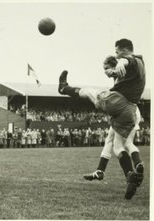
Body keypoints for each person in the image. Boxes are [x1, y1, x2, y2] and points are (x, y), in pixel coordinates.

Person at [58, 38, 145, 199]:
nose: (117, 55)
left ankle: (64, 88)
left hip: (121, 103)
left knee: (90, 92)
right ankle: (130, 175)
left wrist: (121, 62)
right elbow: (124, 68)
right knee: (118, 145)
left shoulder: (133, 60)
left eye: (117, 52)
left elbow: (128, 60)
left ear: (122, 50)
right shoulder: (134, 69)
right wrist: (114, 70)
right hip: (130, 110)